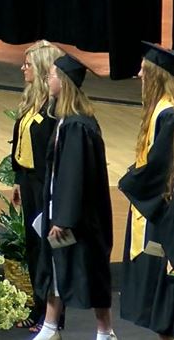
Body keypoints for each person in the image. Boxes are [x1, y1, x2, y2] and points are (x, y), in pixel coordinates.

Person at [32, 54, 116, 340]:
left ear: (64, 82)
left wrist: (64, 218)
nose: (48, 79)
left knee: (90, 271)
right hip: (65, 210)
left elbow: (73, 175)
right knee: (57, 266)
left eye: (52, 75)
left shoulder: (78, 125)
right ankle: (50, 326)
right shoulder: (66, 119)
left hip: (81, 217)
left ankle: (105, 332)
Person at [118, 41, 174, 340]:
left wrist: (130, 183)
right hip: (150, 206)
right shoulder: (158, 113)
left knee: (163, 293)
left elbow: (160, 167)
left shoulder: (168, 114)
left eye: (143, 68)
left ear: (156, 75)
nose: (138, 73)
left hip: (160, 210)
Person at [10, 40, 63, 331]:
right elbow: (21, 142)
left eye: (27, 64)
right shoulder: (31, 98)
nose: (22, 69)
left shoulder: (56, 107)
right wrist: (18, 178)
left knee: (47, 249)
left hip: (46, 185)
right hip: (29, 181)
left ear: (42, 67)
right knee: (33, 246)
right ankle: (38, 306)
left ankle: (51, 315)